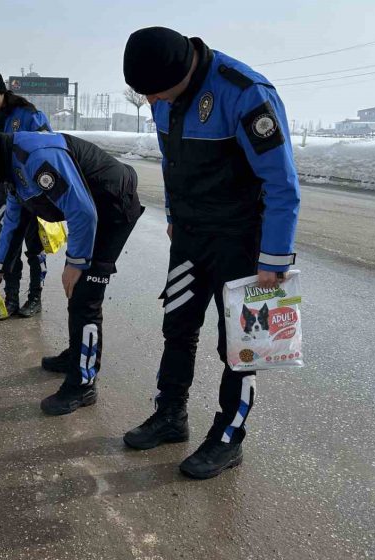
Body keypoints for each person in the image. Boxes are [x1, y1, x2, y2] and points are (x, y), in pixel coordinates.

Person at [121, 27, 300, 479]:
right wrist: (176, 215)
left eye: (155, 92)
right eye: (146, 95)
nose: (151, 102)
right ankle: (170, 415)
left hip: (243, 240)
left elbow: (282, 185)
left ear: (180, 73)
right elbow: (170, 159)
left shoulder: (244, 93)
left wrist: (274, 261)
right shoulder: (162, 95)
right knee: (177, 325)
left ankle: (228, 435)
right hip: (191, 236)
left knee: (241, 347)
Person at [0, 126, 143, 415]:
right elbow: (12, 228)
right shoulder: (11, 170)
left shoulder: (35, 158)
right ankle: (76, 355)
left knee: (85, 295)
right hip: (91, 207)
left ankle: (83, 382)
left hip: (113, 205)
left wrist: (76, 263)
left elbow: (83, 212)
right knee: (76, 291)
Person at [0, 63, 52, 318]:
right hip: (2, 192)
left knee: (33, 246)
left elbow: (48, 148)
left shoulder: (27, 115)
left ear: (3, 92)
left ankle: (35, 297)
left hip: (31, 192)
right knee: (9, 246)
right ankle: (11, 299)